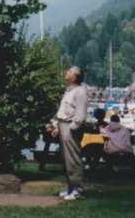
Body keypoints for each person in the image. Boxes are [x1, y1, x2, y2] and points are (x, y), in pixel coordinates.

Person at [50, 65, 88, 201]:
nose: (66, 72)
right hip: (63, 125)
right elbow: (64, 110)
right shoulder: (69, 90)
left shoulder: (80, 91)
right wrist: (58, 127)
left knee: (73, 158)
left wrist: (72, 127)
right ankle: (71, 188)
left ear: (74, 77)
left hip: (71, 127)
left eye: (70, 72)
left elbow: (81, 114)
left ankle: (78, 189)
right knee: (65, 159)